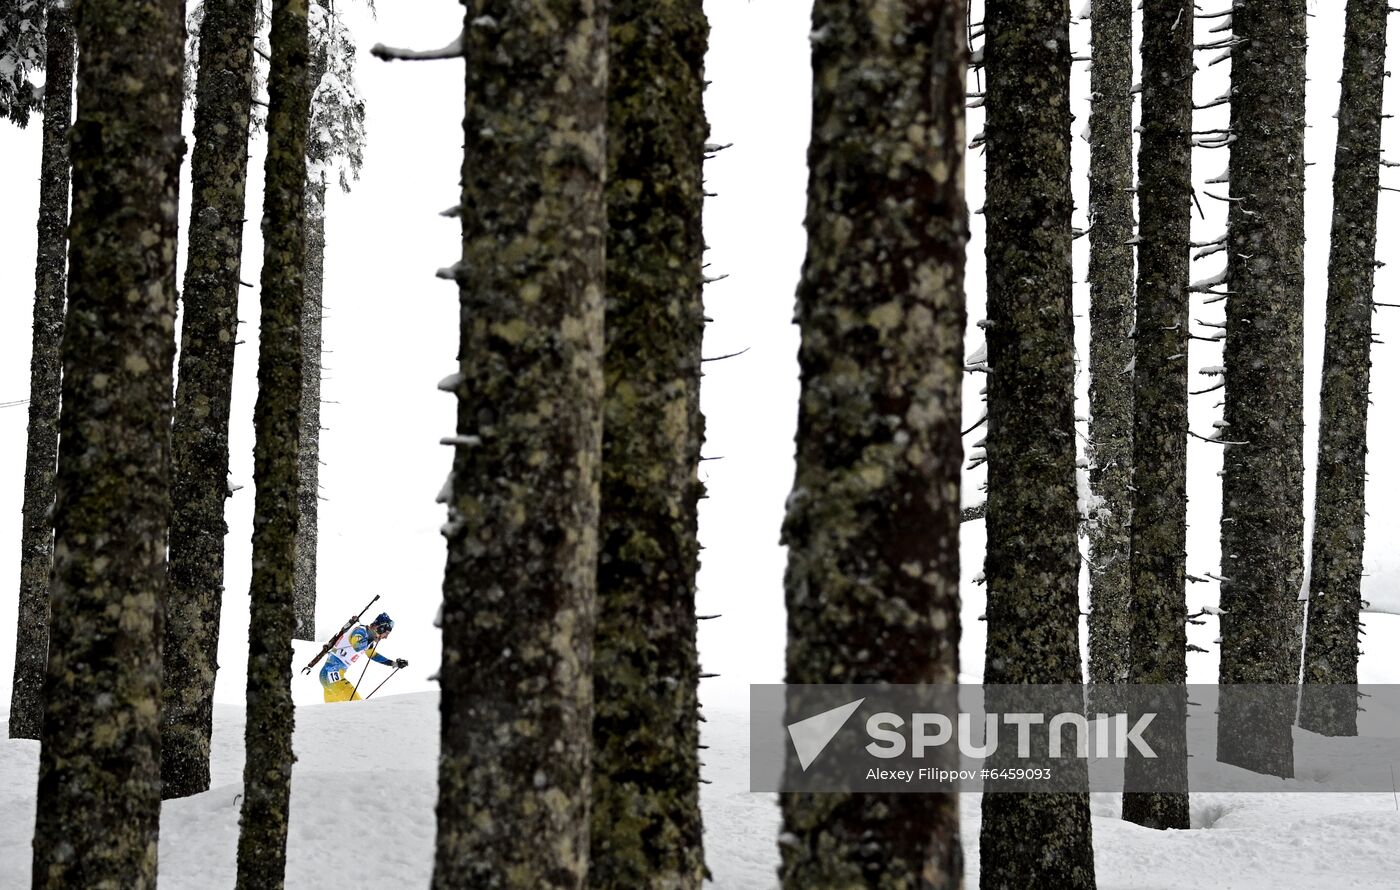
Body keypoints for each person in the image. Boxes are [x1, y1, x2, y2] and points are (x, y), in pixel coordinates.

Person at [319, 612, 407, 702]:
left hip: (327, 675)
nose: (386, 637)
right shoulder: (361, 631)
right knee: (359, 707)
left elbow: (373, 655)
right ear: (381, 628)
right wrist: (371, 638)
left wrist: (393, 663)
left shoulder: (369, 640)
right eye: (386, 633)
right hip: (333, 674)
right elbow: (356, 645)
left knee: (333, 710)